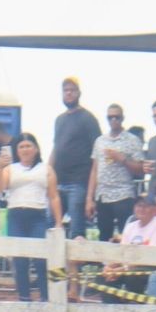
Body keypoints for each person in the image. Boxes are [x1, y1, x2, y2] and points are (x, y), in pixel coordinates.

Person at [0, 131, 61, 301]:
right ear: (17, 150)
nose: (25, 149)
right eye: (21, 147)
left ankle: (47, 297)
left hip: (38, 216)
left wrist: (58, 222)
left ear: (36, 149)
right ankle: (24, 298)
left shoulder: (46, 169)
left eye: (28, 146)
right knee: (20, 260)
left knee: (42, 259)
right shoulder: (10, 169)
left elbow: (54, 196)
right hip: (16, 216)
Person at [88, 104, 146, 241]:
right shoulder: (100, 141)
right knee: (104, 237)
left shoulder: (132, 140)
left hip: (123, 195)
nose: (113, 120)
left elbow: (140, 169)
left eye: (117, 117)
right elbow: (94, 170)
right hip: (103, 195)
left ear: (122, 118)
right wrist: (89, 198)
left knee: (126, 236)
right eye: (110, 117)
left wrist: (122, 159)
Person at [51, 77, 98, 237]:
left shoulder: (88, 118)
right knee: (51, 225)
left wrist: (90, 196)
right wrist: (48, 175)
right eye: (66, 90)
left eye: (72, 90)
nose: (69, 93)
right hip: (58, 182)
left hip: (78, 183)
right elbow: (56, 149)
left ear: (79, 93)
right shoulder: (59, 120)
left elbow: (97, 155)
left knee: (76, 231)